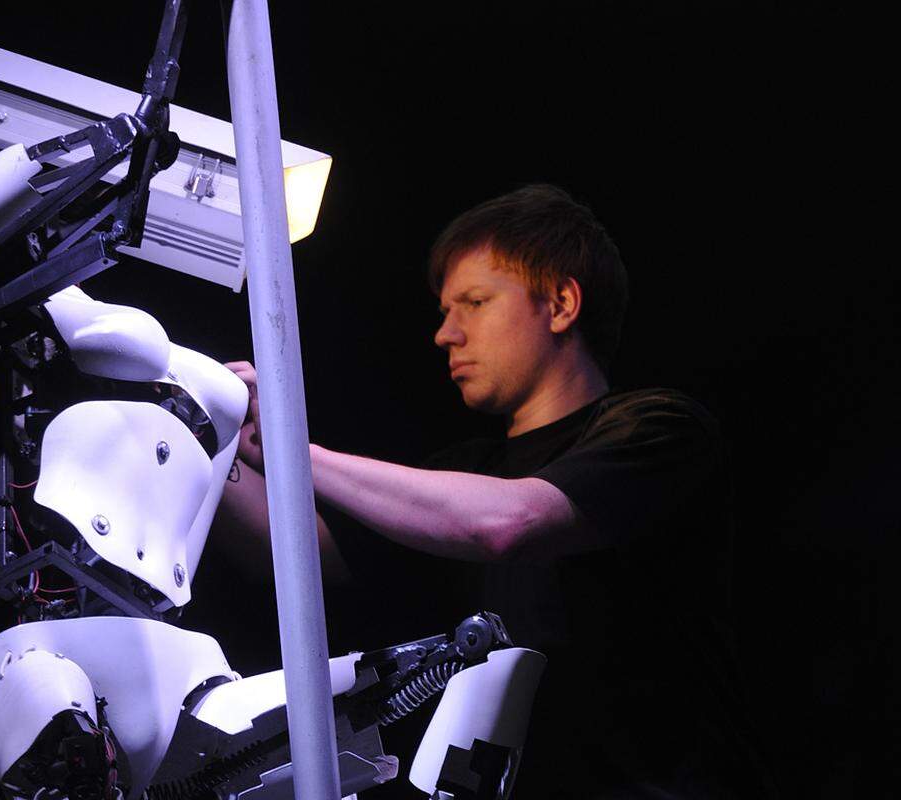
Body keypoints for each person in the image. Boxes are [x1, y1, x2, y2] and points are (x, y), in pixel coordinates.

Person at [213, 184, 774, 798]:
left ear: (560, 304)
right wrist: (208, 434)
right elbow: (298, 546)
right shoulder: (467, 470)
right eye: (444, 312)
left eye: (474, 303)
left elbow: (506, 522)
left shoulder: (660, 430)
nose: (445, 335)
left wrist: (293, 447)